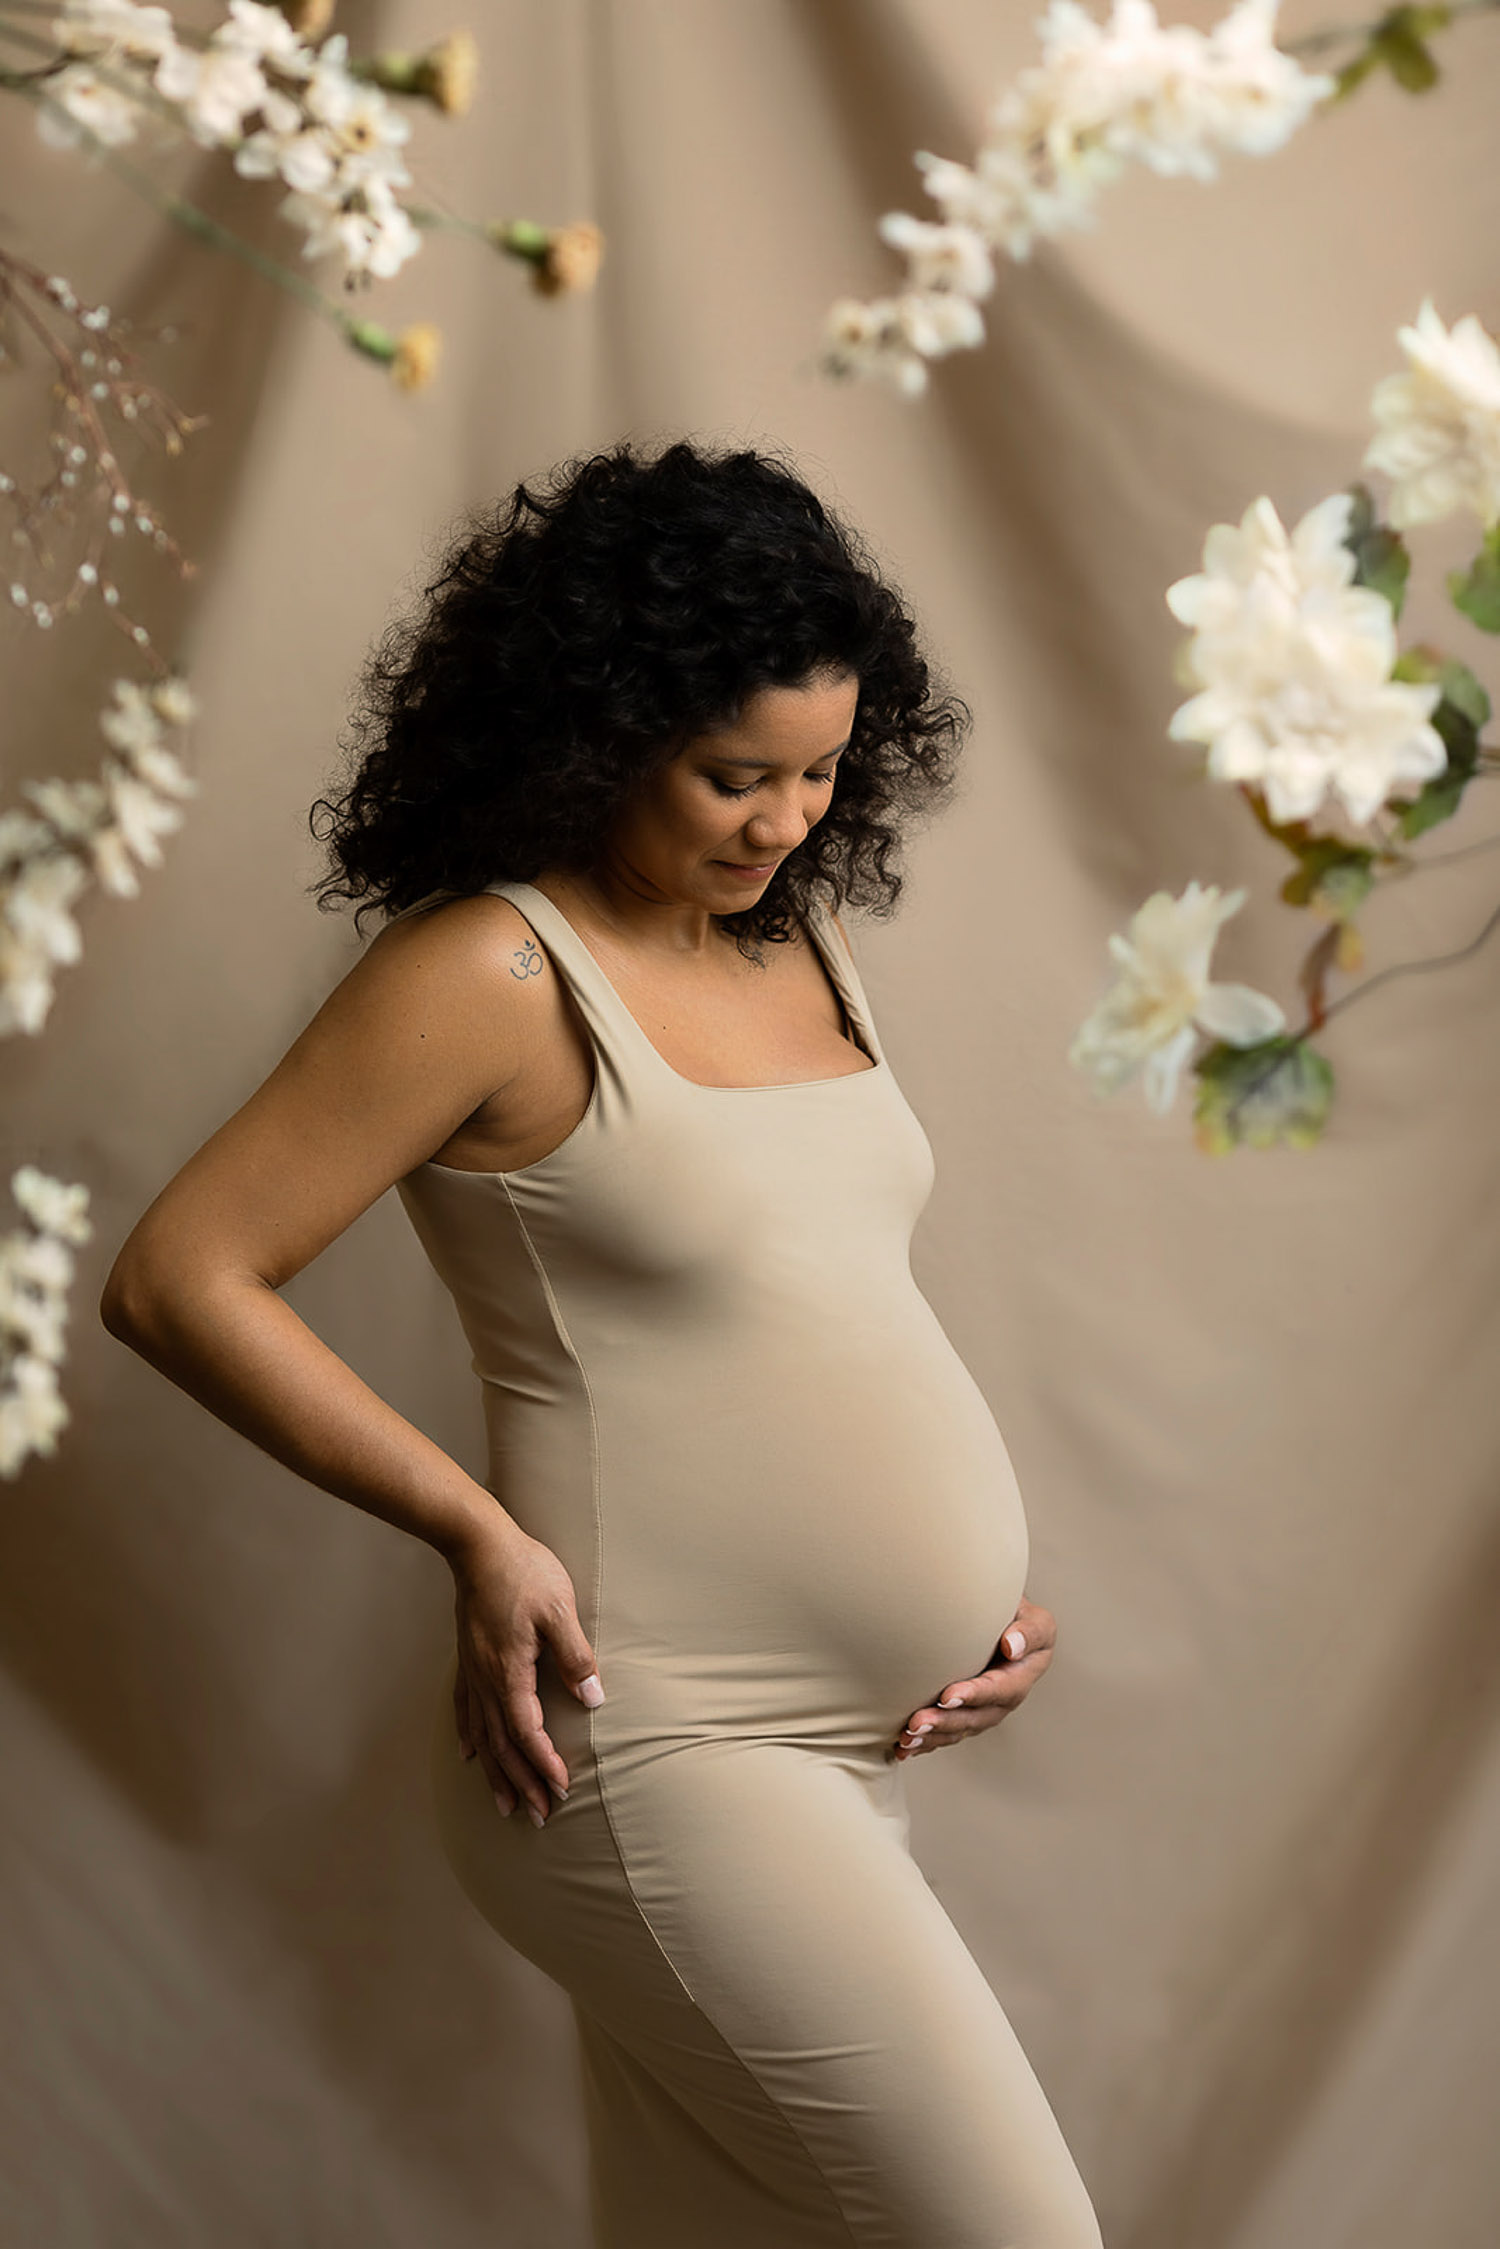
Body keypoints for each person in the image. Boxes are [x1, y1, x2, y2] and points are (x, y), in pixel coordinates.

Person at [100, 437, 1103, 2248]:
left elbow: (821, 1297)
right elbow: (183, 1276)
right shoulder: (493, 972)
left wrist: (977, 1597)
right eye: (736, 775)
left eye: (820, 770)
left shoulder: (796, 944)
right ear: (599, 726)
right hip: (655, 1752)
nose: (787, 821)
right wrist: (475, 1530)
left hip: (848, 1756)